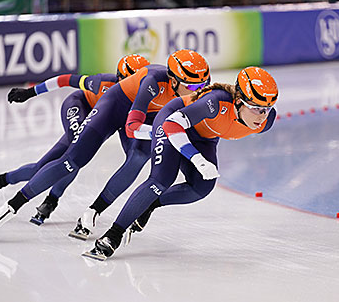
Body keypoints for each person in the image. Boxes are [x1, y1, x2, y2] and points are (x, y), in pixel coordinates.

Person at [0, 49, 211, 238]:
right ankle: (13, 205)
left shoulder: (191, 90)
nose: (197, 91)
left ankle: (94, 210)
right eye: (191, 87)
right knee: (72, 160)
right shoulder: (149, 82)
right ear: (173, 80)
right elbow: (131, 126)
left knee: (139, 157)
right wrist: (31, 93)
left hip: (145, 115)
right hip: (115, 108)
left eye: (202, 84)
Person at [83, 66, 278, 261]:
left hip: (204, 137)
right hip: (171, 121)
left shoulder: (266, 121)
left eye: (266, 109)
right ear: (238, 101)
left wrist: (200, 154)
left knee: (202, 187)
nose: (262, 116)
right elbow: (171, 125)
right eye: (256, 108)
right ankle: (112, 236)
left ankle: (149, 206)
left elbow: (225, 127)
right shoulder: (215, 102)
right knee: (160, 181)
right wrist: (197, 159)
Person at [0, 54, 150, 226]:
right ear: (119, 79)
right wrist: (30, 93)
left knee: (42, 168)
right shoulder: (102, 83)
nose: (134, 88)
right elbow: (64, 80)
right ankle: (49, 198)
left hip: (105, 120)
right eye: (129, 83)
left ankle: (3, 180)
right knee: (73, 157)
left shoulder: (149, 93)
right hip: (81, 106)